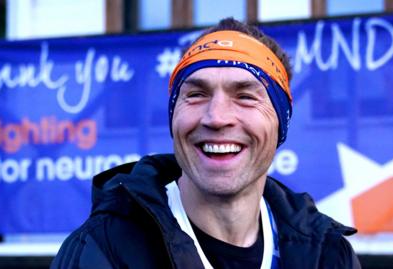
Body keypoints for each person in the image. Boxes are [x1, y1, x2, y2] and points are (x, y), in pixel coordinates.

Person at [51, 18, 361, 269]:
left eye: (245, 96)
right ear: (173, 117)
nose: (216, 117)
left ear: (280, 122)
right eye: (197, 94)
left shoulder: (327, 255)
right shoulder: (101, 250)